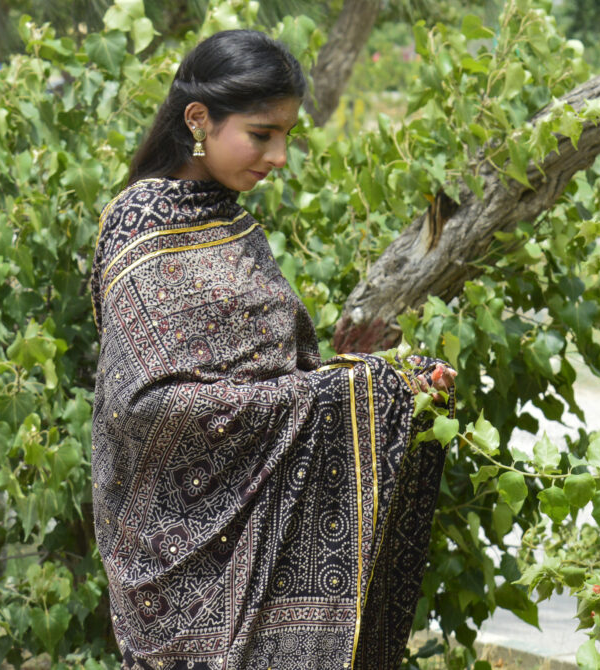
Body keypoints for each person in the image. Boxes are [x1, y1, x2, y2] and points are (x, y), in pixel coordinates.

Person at [90, 29, 456, 670]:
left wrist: (386, 383)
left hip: (268, 527)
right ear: (198, 120)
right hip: (177, 565)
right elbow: (145, 407)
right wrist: (337, 394)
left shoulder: (235, 225)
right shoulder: (140, 225)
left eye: (286, 135)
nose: (280, 156)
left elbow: (285, 371)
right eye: (263, 134)